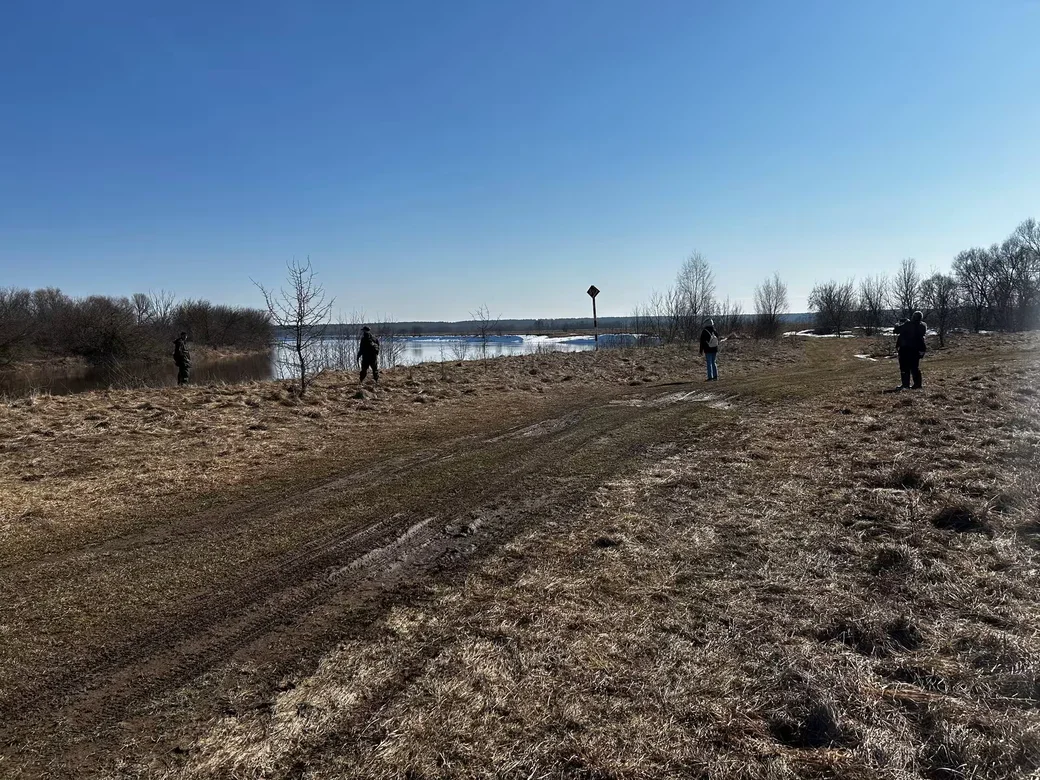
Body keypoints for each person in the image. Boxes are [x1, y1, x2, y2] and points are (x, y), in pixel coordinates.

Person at [894, 311, 927, 389]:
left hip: (905, 348)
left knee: (904, 367)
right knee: (915, 367)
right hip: (916, 349)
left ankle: (905, 385)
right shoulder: (922, 326)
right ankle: (917, 385)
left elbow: (897, 330)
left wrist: (898, 324)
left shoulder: (908, 325)